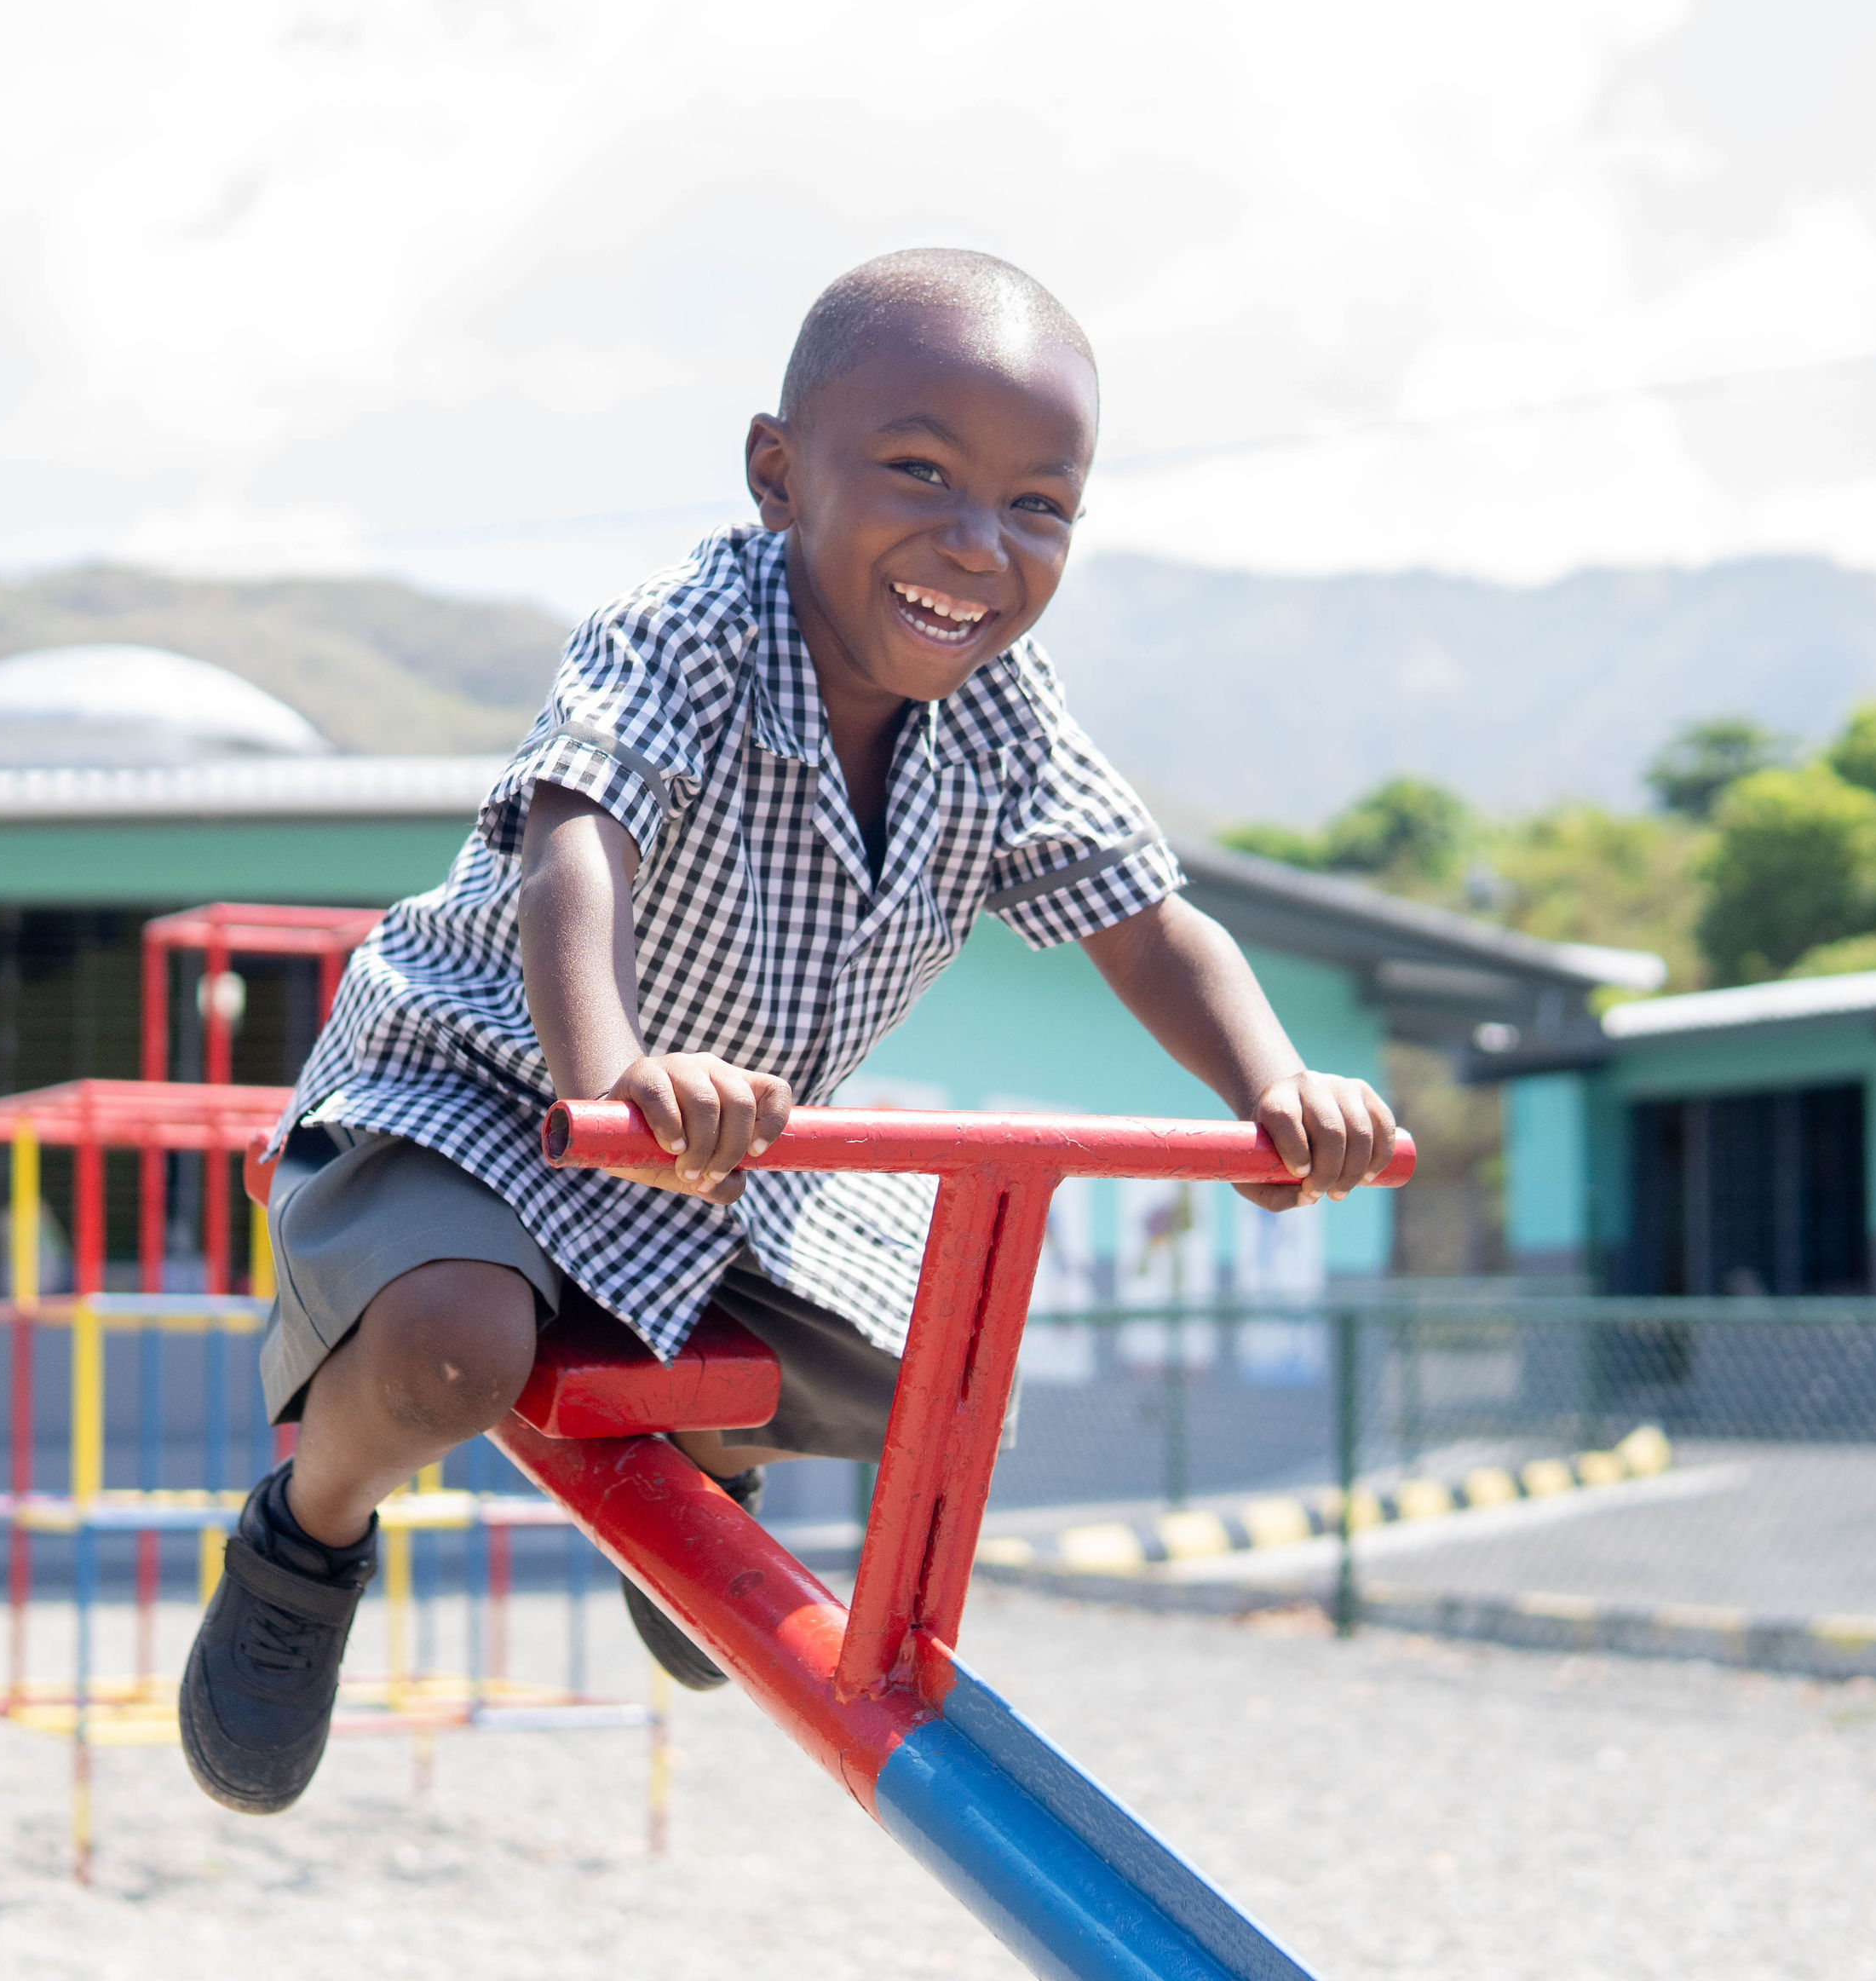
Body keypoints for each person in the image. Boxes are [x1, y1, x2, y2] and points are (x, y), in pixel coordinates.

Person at [179, 248, 1398, 1813]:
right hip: (485, 1090)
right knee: (451, 1352)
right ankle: (310, 1533)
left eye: (1040, 506)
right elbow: (578, 841)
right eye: (919, 473)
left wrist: (1279, 1086)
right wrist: (608, 1074)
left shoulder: (1007, 718)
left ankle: (703, 1465)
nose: (976, 546)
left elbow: (1152, 919)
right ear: (778, 472)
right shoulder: (687, 629)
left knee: (942, 1378)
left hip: (735, 1150)